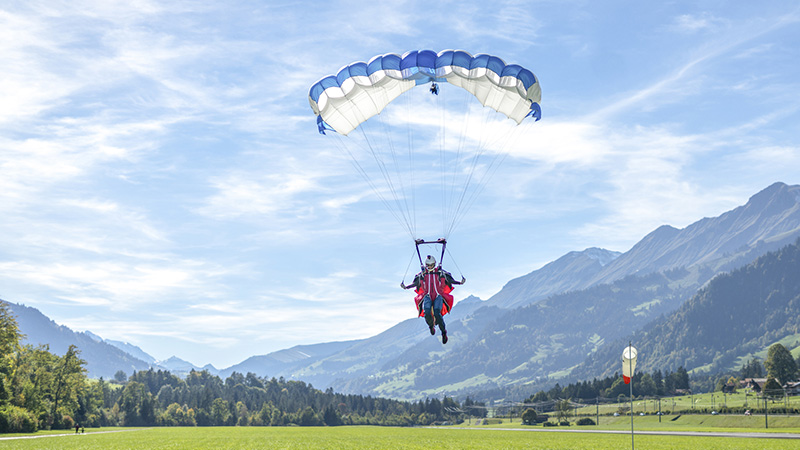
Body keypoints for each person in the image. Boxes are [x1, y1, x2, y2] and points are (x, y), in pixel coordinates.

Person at [401, 255, 465, 344]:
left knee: (437, 312)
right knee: (426, 311)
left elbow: (450, 280)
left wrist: (459, 282)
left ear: (434, 264)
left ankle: (443, 332)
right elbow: (415, 283)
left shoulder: (440, 273)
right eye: (428, 265)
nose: (430, 267)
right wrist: (406, 287)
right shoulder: (422, 274)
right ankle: (431, 326)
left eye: (431, 265)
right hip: (427, 295)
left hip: (438, 295)